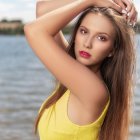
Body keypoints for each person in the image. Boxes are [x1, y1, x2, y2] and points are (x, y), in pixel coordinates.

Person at [24, 0, 137, 139]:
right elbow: (42, 9)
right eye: (84, 31)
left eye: (101, 38)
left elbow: (33, 30)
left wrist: (90, 1)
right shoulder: (72, 73)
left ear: (112, 50)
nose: (87, 43)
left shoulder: (93, 92)